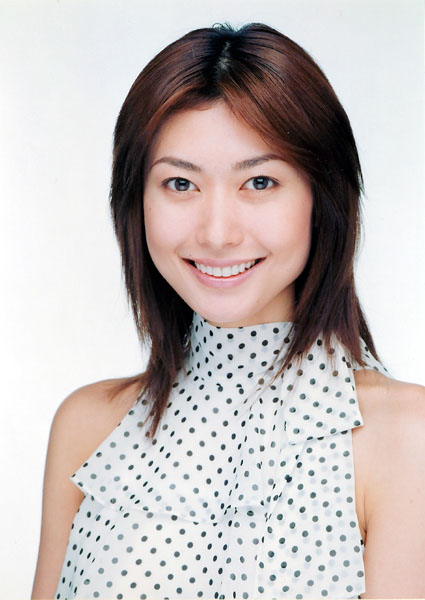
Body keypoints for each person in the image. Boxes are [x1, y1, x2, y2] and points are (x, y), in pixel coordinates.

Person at [31, 23, 425, 600]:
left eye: (259, 182)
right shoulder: (86, 427)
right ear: (136, 202)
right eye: (180, 184)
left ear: (321, 197)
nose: (217, 233)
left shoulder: (405, 436)